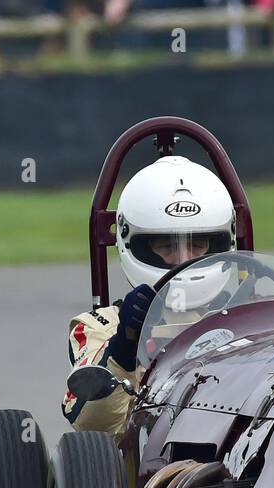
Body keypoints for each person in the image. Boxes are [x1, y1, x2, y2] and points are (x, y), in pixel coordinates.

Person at [62, 154, 236, 439]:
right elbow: (94, 426)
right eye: (168, 245)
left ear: (220, 242)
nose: (183, 259)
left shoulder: (259, 312)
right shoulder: (98, 326)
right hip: (152, 460)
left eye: (198, 245)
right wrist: (125, 347)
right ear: (137, 246)